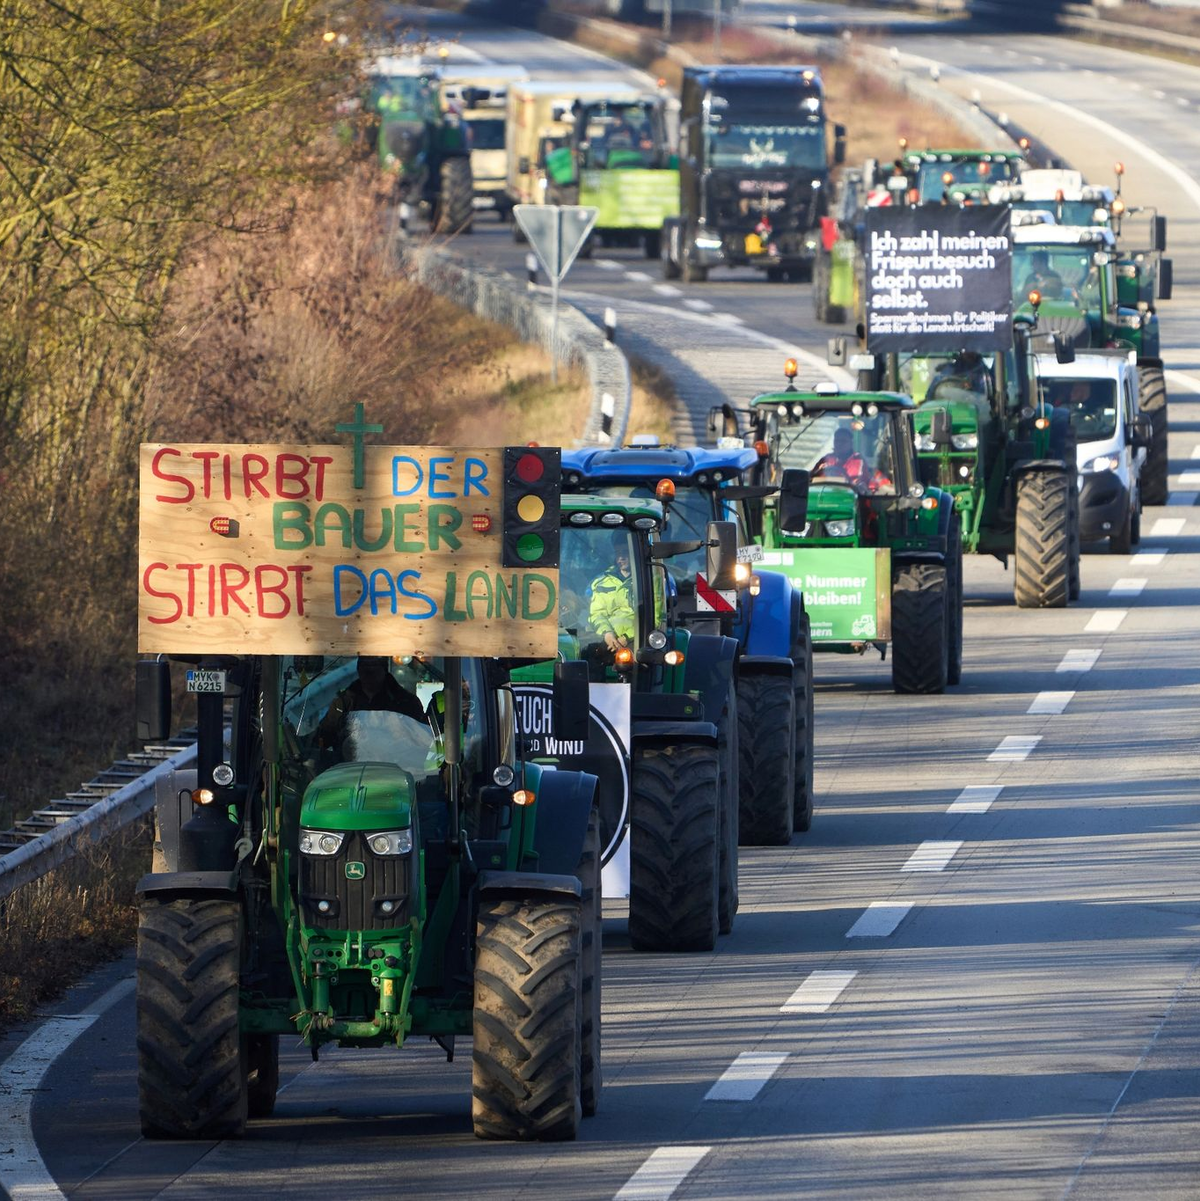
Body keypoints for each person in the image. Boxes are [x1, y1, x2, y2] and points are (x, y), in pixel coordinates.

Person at [317, 655, 426, 751]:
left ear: (384, 668)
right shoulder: (343, 703)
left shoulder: (405, 702)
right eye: (364, 665)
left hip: (396, 768)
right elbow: (324, 736)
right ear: (358, 669)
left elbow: (422, 740)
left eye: (374, 665)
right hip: (349, 769)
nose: (369, 671)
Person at [589, 535, 636, 654]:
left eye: (625, 552)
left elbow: (654, 617)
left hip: (637, 640)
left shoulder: (650, 581)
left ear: (635, 553)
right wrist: (607, 634)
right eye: (617, 553)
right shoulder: (601, 582)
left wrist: (626, 637)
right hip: (607, 641)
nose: (621, 558)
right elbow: (597, 614)